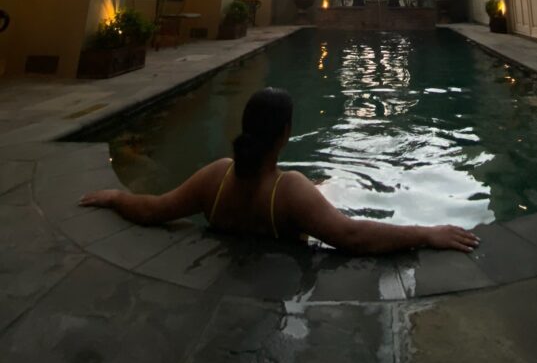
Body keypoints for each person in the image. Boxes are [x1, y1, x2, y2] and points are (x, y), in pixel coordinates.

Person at [79, 87, 481, 255]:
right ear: (286, 134)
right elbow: (350, 234)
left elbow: (153, 210)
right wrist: (427, 232)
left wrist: (115, 197)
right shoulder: (287, 190)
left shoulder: (217, 177)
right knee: (331, 192)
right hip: (279, 274)